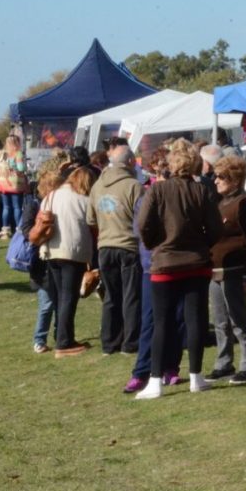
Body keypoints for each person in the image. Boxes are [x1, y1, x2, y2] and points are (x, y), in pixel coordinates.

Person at [134, 139, 222, 399]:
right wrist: (202, 245)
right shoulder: (202, 191)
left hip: (165, 263)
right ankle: (196, 376)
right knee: (195, 320)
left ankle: (155, 380)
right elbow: (216, 228)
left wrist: (155, 246)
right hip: (196, 263)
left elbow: (143, 225)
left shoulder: (157, 191)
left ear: (172, 163)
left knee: (162, 322)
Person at [124, 146, 186, 393]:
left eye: (167, 171)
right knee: (152, 319)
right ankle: (143, 370)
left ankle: (170, 366)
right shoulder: (146, 197)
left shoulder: (179, 194)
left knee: (177, 318)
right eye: (160, 171)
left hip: (176, 261)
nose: (164, 176)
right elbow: (140, 231)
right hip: (155, 264)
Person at [204, 155, 246, 385]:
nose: (215, 181)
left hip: (236, 271)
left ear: (235, 180)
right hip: (216, 271)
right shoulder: (218, 203)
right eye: (215, 176)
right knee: (220, 321)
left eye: (221, 177)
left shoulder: (245, 204)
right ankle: (223, 363)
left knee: (238, 318)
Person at [87, 145, 144, 355]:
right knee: (131, 295)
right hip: (128, 245)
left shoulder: (97, 185)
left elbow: (90, 219)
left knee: (111, 296)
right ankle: (131, 342)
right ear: (130, 162)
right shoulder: (134, 186)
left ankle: (109, 342)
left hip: (105, 245)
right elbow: (143, 219)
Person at [42, 165, 97, 358]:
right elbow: (93, 224)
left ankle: (63, 336)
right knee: (69, 297)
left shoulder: (51, 196)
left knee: (59, 296)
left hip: (51, 250)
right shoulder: (84, 200)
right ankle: (64, 343)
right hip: (73, 252)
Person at [21, 168, 63, 354]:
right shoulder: (34, 204)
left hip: (59, 256)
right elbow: (27, 230)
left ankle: (60, 335)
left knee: (61, 301)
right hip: (42, 260)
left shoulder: (60, 204)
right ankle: (39, 339)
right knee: (46, 303)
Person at [0, 135, 29, 239]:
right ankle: (18, 229)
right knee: (17, 207)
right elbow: (21, 168)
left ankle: (5, 230)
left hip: (3, 183)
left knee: (6, 207)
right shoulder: (18, 154)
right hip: (15, 184)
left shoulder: (1, 154)